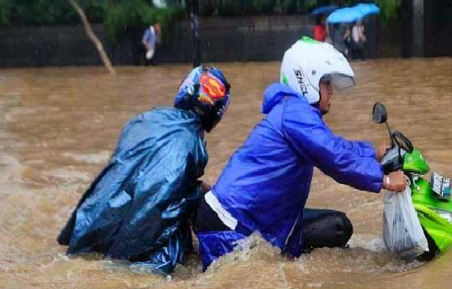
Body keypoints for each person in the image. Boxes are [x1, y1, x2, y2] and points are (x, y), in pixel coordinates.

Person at [194, 37, 406, 271]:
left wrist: (372, 153)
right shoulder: (295, 112)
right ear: (309, 79)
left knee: (338, 227)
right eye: (326, 83)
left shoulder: (296, 112)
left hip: (255, 218)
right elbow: (332, 156)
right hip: (230, 223)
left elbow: (333, 145)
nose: (331, 91)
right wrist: (384, 179)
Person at [57, 65, 231, 274]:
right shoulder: (193, 145)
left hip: (95, 223)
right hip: (139, 247)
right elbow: (169, 199)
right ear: (217, 112)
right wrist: (200, 196)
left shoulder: (145, 119)